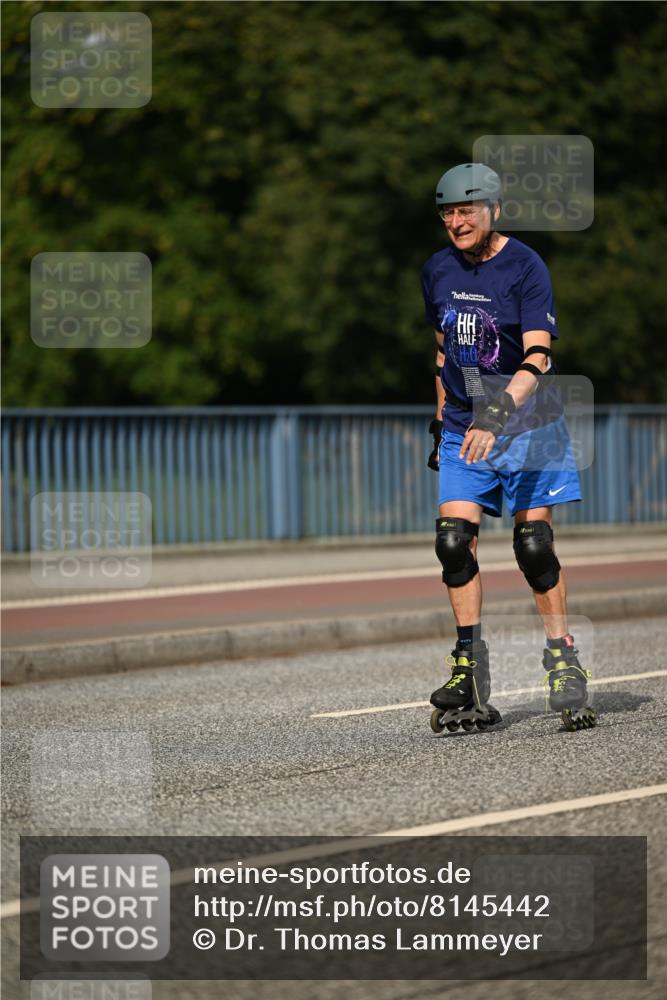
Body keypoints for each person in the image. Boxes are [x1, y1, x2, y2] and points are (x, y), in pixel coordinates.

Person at [421, 162, 596, 734]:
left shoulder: (525, 266)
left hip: (527, 427)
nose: (456, 221)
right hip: (465, 429)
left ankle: (563, 660)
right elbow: (444, 350)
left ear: (494, 209)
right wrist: (441, 419)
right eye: (447, 212)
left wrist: (495, 417)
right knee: (453, 543)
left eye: (466, 210)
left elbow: (538, 357)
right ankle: (468, 672)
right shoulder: (437, 270)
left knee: (533, 546)